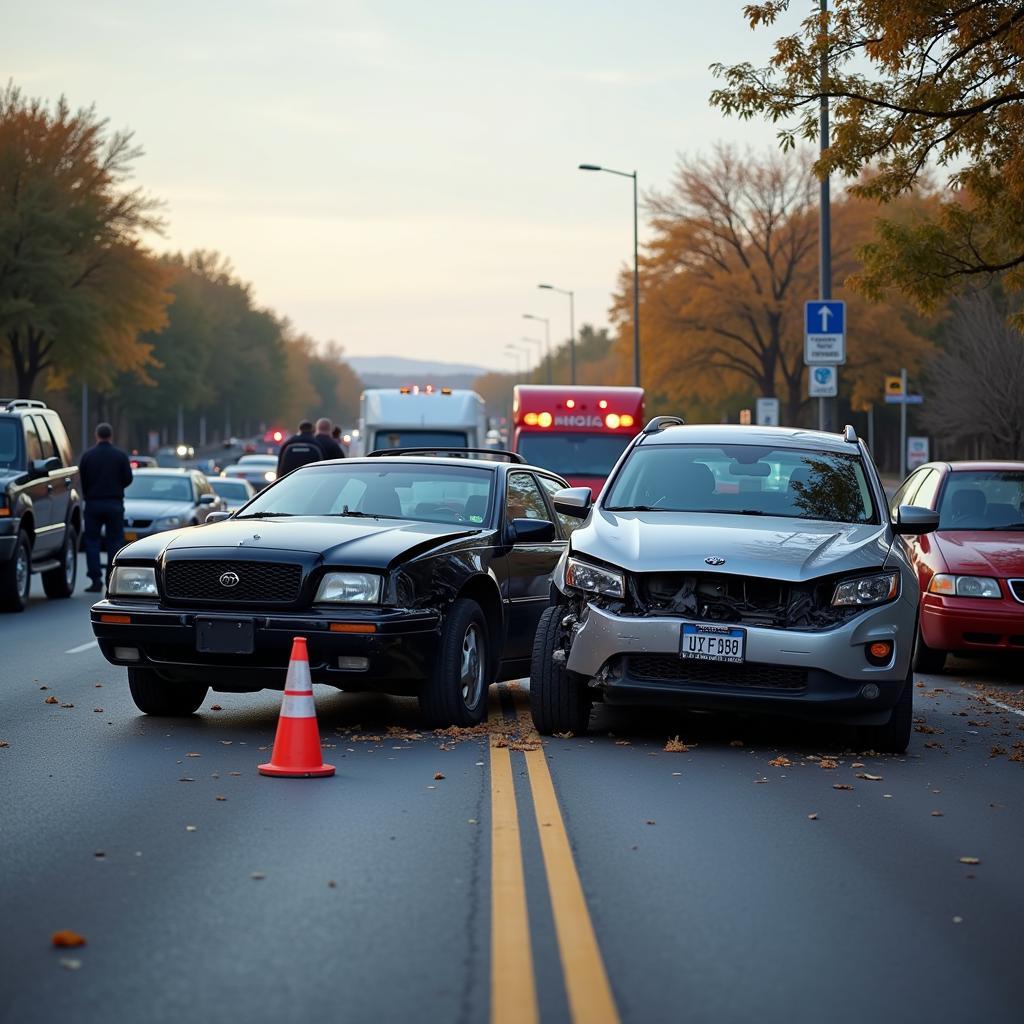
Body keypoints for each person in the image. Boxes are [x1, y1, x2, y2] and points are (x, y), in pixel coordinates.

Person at [79, 422, 133, 592]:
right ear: (111, 436)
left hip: (93, 504)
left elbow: (83, 479)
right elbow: (128, 478)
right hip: (114, 503)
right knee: (115, 542)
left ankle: (95, 580)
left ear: (97, 436)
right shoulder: (120, 456)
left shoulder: (88, 456)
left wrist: (90, 494)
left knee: (92, 541)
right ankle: (112, 579)